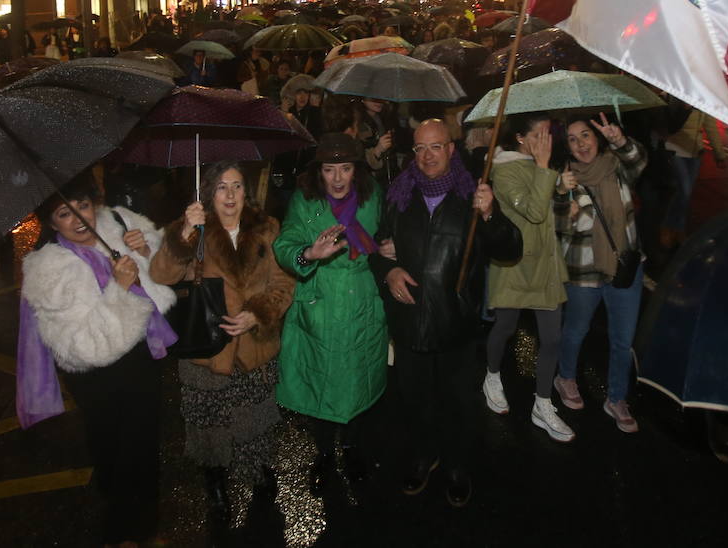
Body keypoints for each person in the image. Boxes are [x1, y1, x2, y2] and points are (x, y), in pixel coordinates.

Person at [16, 174, 176, 547]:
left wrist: (147, 249)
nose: (78, 219)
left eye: (83, 206)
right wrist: (118, 291)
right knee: (113, 451)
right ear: (51, 223)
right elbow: (83, 345)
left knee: (144, 443)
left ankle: (146, 525)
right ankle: (121, 532)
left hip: (139, 357)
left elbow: (166, 279)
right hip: (97, 374)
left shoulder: (119, 223)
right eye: (64, 213)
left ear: (95, 203)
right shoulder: (49, 270)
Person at [370, 120, 520, 506]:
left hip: (456, 323)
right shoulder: (398, 196)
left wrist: (490, 216)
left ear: (452, 149)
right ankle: (425, 456)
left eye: (435, 147)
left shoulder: (473, 195)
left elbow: (509, 250)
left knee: (457, 403)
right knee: (416, 400)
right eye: (419, 148)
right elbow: (377, 249)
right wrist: (388, 271)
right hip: (409, 323)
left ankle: (456, 463)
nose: (427, 156)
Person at [152, 163, 295, 520]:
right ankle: (214, 477)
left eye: (237, 187)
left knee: (256, 418)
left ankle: (258, 468)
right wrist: (185, 231)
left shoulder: (267, 229)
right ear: (207, 192)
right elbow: (160, 275)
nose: (230, 196)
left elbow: (284, 284)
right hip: (207, 350)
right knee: (209, 424)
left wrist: (257, 312)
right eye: (221, 188)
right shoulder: (192, 230)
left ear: (247, 192)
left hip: (254, 348)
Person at [273, 133, 388, 494]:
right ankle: (323, 454)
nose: (337, 178)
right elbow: (284, 243)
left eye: (345, 168)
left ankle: (352, 450)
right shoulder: (304, 202)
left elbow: (387, 235)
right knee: (319, 382)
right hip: (319, 301)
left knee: (357, 380)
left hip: (361, 301)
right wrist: (308, 254)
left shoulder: (373, 199)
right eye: (329, 169)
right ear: (318, 172)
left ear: (357, 171)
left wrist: (389, 248)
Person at [553, 115, 648, 434]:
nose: (581, 144)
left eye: (586, 136)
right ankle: (566, 377)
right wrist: (566, 205)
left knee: (622, 340)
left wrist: (620, 140)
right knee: (575, 330)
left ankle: (617, 397)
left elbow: (639, 160)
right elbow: (557, 227)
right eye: (573, 139)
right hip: (583, 271)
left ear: (598, 138)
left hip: (624, 269)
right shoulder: (564, 179)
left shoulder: (616, 166)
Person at [484, 113, 573, 442]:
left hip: (546, 266)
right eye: (539, 135)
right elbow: (534, 212)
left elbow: (550, 213)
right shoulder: (505, 171)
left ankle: (543, 403)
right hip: (516, 267)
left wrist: (563, 192)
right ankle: (492, 375)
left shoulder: (539, 165)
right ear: (520, 138)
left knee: (551, 339)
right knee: (505, 327)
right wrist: (545, 168)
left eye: (549, 134)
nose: (545, 141)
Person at [661, 107, 725, 245]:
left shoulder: (702, 100)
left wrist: (719, 154)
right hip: (676, 149)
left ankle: (679, 229)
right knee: (684, 190)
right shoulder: (678, 96)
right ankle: (667, 227)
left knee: (685, 195)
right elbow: (668, 123)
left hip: (695, 152)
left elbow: (710, 126)